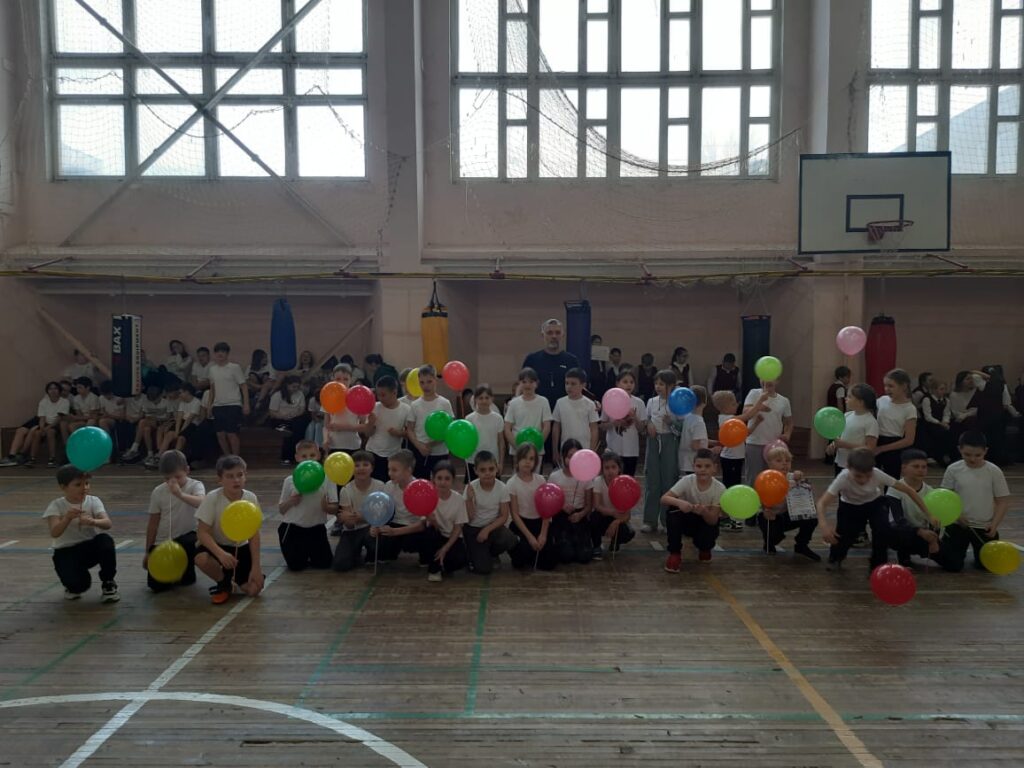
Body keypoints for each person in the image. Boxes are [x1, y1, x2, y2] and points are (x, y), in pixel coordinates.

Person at [816, 447, 929, 572]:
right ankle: (835, 558)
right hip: (850, 507)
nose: (863, 480)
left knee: (882, 531)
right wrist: (824, 526)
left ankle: (878, 565)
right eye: (858, 476)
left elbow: (908, 490)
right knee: (844, 536)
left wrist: (928, 514)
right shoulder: (843, 478)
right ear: (848, 467)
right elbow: (821, 503)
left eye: (868, 476)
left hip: (874, 504)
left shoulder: (877, 473)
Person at [42, 464, 119, 602]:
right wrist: (67, 518)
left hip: (88, 548)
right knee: (79, 586)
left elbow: (107, 523)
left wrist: (93, 521)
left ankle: (108, 582)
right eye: (78, 484)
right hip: (66, 552)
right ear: (63, 487)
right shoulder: (56, 505)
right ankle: (72, 584)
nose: (84, 488)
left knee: (105, 540)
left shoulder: (93, 501)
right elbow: (55, 532)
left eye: (87, 483)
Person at [194, 455, 264, 604]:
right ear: (220, 479)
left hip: (240, 547)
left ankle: (234, 577)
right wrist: (221, 554)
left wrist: (256, 567)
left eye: (240, 475)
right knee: (201, 559)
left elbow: (254, 535)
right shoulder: (212, 498)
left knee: (254, 590)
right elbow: (202, 532)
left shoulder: (251, 498)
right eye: (230, 476)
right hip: (217, 546)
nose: (236, 480)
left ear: (245, 476)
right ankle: (223, 583)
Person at [937, 431, 1011, 572]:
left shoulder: (994, 471)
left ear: (985, 451)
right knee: (952, 566)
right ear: (959, 449)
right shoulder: (953, 469)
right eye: (967, 454)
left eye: (978, 455)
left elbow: (1002, 501)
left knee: (986, 566)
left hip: (984, 527)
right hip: (958, 524)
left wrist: (994, 525)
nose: (972, 459)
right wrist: (956, 515)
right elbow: (944, 497)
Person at [143, 450, 205, 592]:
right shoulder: (158, 492)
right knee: (156, 586)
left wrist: (180, 494)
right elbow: (153, 523)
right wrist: (148, 551)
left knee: (186, 580)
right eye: (167, 478)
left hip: (187, 538)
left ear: (187, 470)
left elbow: (201, 502)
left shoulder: (195, 485)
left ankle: (185, 570)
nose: (172, 482)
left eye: (177, 477)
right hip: (164, 541)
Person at [276, 440, 336, 571]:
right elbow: (281, 509)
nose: (308, 459)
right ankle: (300, 551)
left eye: (312, 455)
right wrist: (291, 501)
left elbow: (335, 508)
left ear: (318, 455)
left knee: (324, 564)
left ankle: (309, 550)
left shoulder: (327, 479)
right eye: (304, 456)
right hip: (292, 528)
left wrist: (326, 507)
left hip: (316, 528)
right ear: (297, 458)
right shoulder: (290, 480)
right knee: (296, 566)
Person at [661, 449, 723, 571]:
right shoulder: (687, 480)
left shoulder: (720, 489)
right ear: (693, 467)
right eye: (699, 466)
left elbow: (713, 520)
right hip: (687, 519)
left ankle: (705, 548)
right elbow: (664, 498)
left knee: (709, 532)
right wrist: (681, 503)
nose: (703, 469)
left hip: (705, 522)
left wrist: (704, 512)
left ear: (714, 468)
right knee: (673, 513)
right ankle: (675, 553)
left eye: (707, 466)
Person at [757, 445, 820, 561]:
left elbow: (804, 491)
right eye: (779, 461)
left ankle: (801, 545)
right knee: (775, 536)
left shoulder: (793, 477)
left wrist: (801, 479)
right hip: (769, 516)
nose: (784, 463)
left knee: (811, 516)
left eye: (787, 461)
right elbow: (758, 501)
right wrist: (765, 510)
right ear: (769, 464)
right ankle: (769, 542)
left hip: (788, 515)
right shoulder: (765, 478)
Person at [463, 450, 518, 575]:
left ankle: (491, 553)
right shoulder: (470, 488)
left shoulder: (502, 487)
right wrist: (469, 500)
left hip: (492, 527)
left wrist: (487, 530)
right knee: (483, 569)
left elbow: (504, 516)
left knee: (510, 539)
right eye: (482, 470)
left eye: (491, 469)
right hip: (473, 529)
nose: (487, 473)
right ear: (475, 471)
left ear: (497, 468)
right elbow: (468, 518)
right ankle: (471, 551)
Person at [884, 449, 941, 567]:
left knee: (953, 564)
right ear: (904, 468)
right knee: (900, 532)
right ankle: (904, 559)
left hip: (924, 533)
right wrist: (919, 531)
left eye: (924, 467)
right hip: (902, 532)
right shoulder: (895, 489)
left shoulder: (930, 491)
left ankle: (921, 551)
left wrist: (933, 538)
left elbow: (936, 518)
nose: (921, 470)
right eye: (916, 466)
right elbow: (898, 519)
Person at [332, 450, 386, 572]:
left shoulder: (380, 486)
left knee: (379, 549)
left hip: (373, 529)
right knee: (340, 564)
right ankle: (355, 553)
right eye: (356, 465)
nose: (361, 468)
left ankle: (371, 554)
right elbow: (349, 525)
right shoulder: (346, 490)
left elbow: (381, 516)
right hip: (352, 531)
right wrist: (348, 519)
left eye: (365, 465)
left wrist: (360, 517)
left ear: (372, 468)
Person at [372, 449, 429, 565]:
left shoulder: (421, 488)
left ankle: (425, 558)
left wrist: (395, 532)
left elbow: (423, 524)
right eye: (389, 469)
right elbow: (381, 511)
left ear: (408, 470)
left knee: (428, 537)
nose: (390, 473)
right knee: (379, 552)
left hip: (414, 527)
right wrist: (375, 526)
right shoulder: (389, 486)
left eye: (394, 470)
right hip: (395, 524)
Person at [508, 442, 557, 570]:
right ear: (518, 460)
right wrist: (530, 537)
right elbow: (515, 514)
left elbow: (547, 510)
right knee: (520, 561)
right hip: (522, 524)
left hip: (539, 522)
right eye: (524, 458)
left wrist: (543, 534)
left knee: (549, 564)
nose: (527, 462)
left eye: (531, 459)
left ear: (535, 462)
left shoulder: (540, 480)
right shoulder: (512, 483)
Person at [642, 369, 680, 534]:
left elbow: (681, 430)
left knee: (668, 481)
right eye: (656, 383)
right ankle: (649, 520)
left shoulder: (677, 403)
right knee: (652, 482)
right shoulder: (651, 401)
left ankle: (666, 521)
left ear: (671, 386)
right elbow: (647, 420)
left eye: (662, 384)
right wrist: (649, 424)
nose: (658, 387)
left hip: (670, 442)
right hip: (653, 442)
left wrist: (671, 423)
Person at [547, 439, 594, 565]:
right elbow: (550, 502)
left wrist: (580, 515)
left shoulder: (586, 477)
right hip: (561, 515)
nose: (573, 459)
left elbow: (589, 505)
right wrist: (561, 507)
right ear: (563, 457)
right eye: (569, 456)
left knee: (584, 556)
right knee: (566, 555)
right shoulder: (555, 477)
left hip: (580, 516)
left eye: (576, 456)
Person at [420, 461, 469, 582]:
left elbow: (458, 527)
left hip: (452, 538)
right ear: (433, 479)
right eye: (439, 478)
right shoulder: (428, 497)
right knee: (429, 533)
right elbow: (428, 525)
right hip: (436, 535)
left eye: (447, 478)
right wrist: (432, 520)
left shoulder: (458, 499)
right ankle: (434, 569)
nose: (443, 482)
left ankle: (444, 564)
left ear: (453, 480)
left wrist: (445, 548)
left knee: (458, 560)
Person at [405, 364, 454, 478]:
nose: (425, 386)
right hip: (420, 451)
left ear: (435, 380)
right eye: (422, 382)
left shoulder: (444, 403)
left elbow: (449, 428)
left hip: (440, 451)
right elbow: (410, 429)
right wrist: (419, 446)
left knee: (440, 482)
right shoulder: (415, 405)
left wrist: (433, 443)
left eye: (429, 382)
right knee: (422, 480)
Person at [521, 318, 580, 411]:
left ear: (563, 335)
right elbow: (522, 385)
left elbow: (579, 387)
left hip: (565, 410)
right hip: (536, 410)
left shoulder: (572, 361)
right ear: (542, 335)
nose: (554, 336)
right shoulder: (532, 360)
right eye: (549, 333)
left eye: (557, 333)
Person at [742, 380, 791, 486]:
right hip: (755, 442)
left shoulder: (784, 400)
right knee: (753, 478)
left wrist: (787, 434)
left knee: (773, 478)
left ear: (777, 381)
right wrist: (759, 405)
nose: (767, 380)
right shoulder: (754, 393)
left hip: (775, 446)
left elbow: (788, 421)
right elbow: (745, 412)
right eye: (764, 377)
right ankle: (753, 497)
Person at [598, 368, 646, 477]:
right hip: (613, 449)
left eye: (631, 382)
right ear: (617, 383)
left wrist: (634, 417)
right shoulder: (609, 400)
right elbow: (602, 426)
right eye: (625, 382)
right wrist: (614, 423)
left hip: (631, 450)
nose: (629, 385)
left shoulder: (639, 403)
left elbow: (642, 429)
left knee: (628, 479)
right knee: (612, 480)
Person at [589, 450, 636, 559]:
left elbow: (627, 515)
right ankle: (596, 545)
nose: (610, 471)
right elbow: (597, 505)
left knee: (629, 533)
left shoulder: (625, 483)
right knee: (594, 517)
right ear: (602, 469)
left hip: (617, 518)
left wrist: (616, 522)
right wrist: (613, 512)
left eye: (613, 467)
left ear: (619, 468)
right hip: (603, 515)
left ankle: (615, 541)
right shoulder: (598, 481)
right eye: (607, 468)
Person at [874, 369, 918, 480]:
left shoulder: (909, 409)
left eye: (891, 386)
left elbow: (909, 440)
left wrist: (882, 448)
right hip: (876, 440)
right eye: (885, 386)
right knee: (871, 478)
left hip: (894, 446)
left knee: (891, 481)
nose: (886, 389)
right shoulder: (882, 400)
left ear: (904, 386)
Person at [207, 342, 250, 458]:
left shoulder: (234, 367)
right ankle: (227, 457)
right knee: (220, 434)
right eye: (217, 352)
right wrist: (209, 405)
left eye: (223, 351)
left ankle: (235, 458)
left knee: (231, 433)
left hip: (233, 404)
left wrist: (246, 404)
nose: (220, 354)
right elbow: (212, 389)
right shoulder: (212, 369)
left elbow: (243, 386)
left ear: (227, 354)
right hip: (218, 405)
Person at [503, 367, 553, 466]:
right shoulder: (513, 403)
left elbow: (547, 426)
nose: (527, 385)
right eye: (524, 382)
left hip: (537, 449)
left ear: (536, 383)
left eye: (531, 382)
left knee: (535, 475)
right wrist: (517, 447)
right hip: (517, 450)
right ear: (520, 383)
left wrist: (538, 444)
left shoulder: (543, 401)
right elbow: (507, 428)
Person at [365, 376, 411, 482]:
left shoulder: (406, 409)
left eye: (383, 395)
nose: (380, 398)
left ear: (394, 392)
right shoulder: (374, 407)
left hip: (393, 455)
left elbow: (410, 433)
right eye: (378, 395)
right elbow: (367, 434)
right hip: (373, 452)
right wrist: (370, 423)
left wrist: (399, 433)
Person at [826, 383, 879, 476]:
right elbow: (840, 437)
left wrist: (844, 444)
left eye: (850, 397)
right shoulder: (847, 415)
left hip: (857, 465)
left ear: (860, 402)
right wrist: (833, 446)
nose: (846, 399)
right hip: (841, 462)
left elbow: (870, 448)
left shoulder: (870, 421)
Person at [552, 368, 599, 466]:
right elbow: (556, 428)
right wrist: (555, 450)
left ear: (583, 385)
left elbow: (594, 429)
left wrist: (592, 451)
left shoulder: (590, 404)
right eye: (567, 383)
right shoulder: (560, 403)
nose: (569, 387)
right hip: (565, 449)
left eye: (573, 384)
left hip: (584, 448)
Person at [323, 363, 367, 458]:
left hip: (353, 445)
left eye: (346, 379)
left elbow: (365, 426)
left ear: (351, 380)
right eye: (338, 379)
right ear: (333, 379)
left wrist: (345, 427)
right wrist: (325, 439)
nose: (342, 382)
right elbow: (326, 425)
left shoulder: (357, 398)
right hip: (334, 445)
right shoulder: (328, 397)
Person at [466, 384, 505, 482]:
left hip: (492, 461)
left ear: (492, 399)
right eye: (480, 398)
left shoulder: (498, 418)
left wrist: (501, 463)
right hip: (473, 461)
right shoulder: (469, 419)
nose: (484, 401)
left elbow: (501, 442)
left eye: (487, 398)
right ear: (475, 399)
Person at [268, 375, 309, 466]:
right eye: (293, 386)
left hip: (294, 418)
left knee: (299, 430)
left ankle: (297, 455)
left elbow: (302, 409)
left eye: (297, 387)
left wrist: (294, 415)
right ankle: (286, 457)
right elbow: (272, 412)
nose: (296, 389)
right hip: (279, 419)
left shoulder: (300, 394)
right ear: (287, 385)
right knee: (288, 433)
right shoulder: (277, 395)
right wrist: (283, 416)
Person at [158, 382, 202, 457]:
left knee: (181, 438)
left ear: (187, 392)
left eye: (181, 393)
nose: (179, 395)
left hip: (192, 424)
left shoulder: (196, 402)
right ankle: (159, 456)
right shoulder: (182, 402)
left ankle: (175, 459)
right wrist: (177, 431)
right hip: (182, 421)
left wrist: (180, 432)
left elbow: (189, 419)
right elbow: (179, 417)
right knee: (169, 434)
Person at [919, 379, 954, 465]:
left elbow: (946, 413)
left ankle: (946, 455)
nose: (943, 391)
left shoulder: (946, 401)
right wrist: (939, 423)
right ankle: (934, 455)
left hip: (941, 423)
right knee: (937, 432)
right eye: (941, 389)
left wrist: (945, 422)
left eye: (944, 389)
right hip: (929, 423)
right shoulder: (927, 399)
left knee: (950, 432)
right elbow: (928, 416)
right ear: (934, 390)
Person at [677, 385, 709, 477]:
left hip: (686, 461)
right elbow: (695, 445)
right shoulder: (698, 422)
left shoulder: (687, 417)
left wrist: (713, 442)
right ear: (704, 402)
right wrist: (711, 451)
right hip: (694, 462)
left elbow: (697, 438)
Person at [62, 377, 100, 443]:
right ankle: (79, 443)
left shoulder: (93, 397)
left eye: (80, 387)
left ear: (87, 388)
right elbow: (79, 414)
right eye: (77, 388)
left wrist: (77, 417)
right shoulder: (76, 398)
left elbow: (93, 415)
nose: (78, 390)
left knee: (90, 422)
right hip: (83, 419)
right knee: (71, 426)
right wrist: (76, 418)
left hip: (94, 419)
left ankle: (87, 442)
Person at [589, 334, 608, 399]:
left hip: (602, 382)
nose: (598, 344)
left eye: (600, 343)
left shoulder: (602, 356)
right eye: (596, 342)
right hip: (593, 382)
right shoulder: (589, 355)